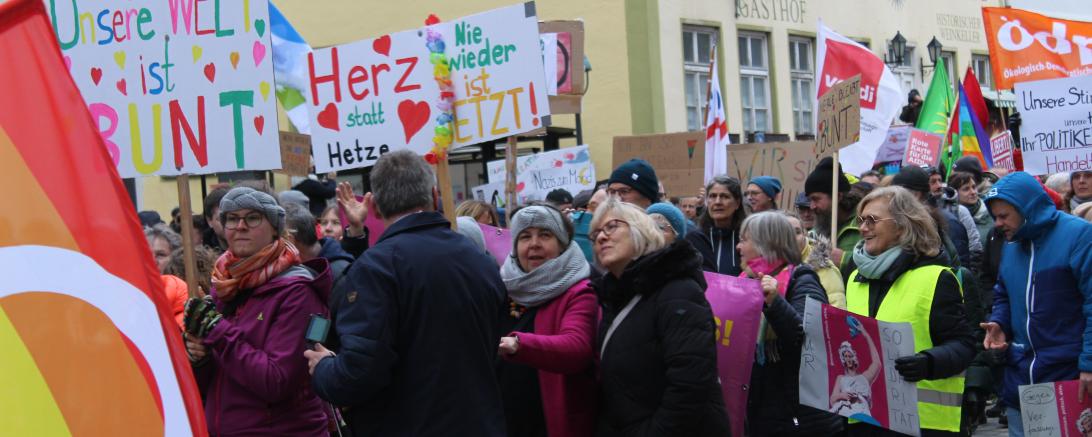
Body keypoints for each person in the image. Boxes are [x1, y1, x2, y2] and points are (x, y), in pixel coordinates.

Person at [307, 151, 507, 435]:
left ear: (373, 208)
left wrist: (325, 368)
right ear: (435, 197)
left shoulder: (378, 268)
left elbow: (358, 375)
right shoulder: (480, 260)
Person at [182, 186, 332, 436]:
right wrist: (199, 357)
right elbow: (214, 384)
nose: (240, 226)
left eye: (252, 218)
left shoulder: (297, 291)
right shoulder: (224, 285)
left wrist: (217, 331)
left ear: (275, 227)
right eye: (231, 218)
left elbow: (276, 381)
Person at [590, 198, 730, 436]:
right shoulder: (615, 297)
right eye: (596, 234)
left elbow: (690, 385)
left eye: (612, 226)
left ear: (641, 231)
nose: (602, 237)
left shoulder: (678, 292)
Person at [845, 186, 976, 436]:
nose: (862, 228)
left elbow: (965, 345)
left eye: (872, 220)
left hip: (923, 423)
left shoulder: (936, 277)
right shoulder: (854, 278)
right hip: (865, 418)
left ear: (902, 225)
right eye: (861, 221)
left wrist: (928, 362)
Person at [981, 172, 1092, 437]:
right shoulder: (1011, 244)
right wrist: (999, 323)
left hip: (1069, 376)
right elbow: (1004, 293)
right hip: (1022, 378)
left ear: (1026, 208)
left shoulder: (1079, 235)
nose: (998, 224)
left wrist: (1089, 364)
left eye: (1004, 216)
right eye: (995, 217)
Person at [737, 212, 844, 435]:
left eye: (744, 240)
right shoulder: (744, 281)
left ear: (766, 243)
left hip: (799, 416)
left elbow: (807, 339)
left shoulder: (802, 279)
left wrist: (775, 302)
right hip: (762, 410)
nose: (739, 247)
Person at [497, 205, 597, 437]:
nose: (534, 244)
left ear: (562, 245)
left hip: (551, 424)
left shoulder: (580, 291)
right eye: (525, 236)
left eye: (545, 234)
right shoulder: (502, 288)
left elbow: (577, 347)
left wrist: (519, 345)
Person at [805, 157, 862, 275]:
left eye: (816, 199)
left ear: (838, 196)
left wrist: (844, 259)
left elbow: (879, 261)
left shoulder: (863, 223)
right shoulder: (815, 232)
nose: (812, 206)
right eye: (810, 200)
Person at [686, 175, 748, 276]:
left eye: (725, 196)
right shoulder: (694, 239)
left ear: (737, 203)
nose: (717, 202)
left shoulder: (747, 240)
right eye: (713, 196)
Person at [787, 213, 846, 308]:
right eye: (785, 233)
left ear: (804, 234)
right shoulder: (768, 268)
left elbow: (836, 311)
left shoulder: (823, 267)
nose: (791, 238)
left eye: (797, 232)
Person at [830, 326, 881, 420]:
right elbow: (832, 399)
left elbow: (877, 363)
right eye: (845, 356)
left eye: (850, 356)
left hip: (862, 414)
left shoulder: (864, 377)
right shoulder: (841, 378)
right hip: (845, 413)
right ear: (843, 359)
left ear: (854, 357)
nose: (848, 359)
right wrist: (842, 395)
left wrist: (866, 335)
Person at [949, 171, 994, 243]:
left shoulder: (991, 211)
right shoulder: (950, 219)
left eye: (974, 187)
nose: (973, 192)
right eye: (966, 189)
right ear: (954, 193)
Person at [202, 186, 231, 253]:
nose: (228, 224)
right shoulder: (202, 255)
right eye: (221, 218)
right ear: (209, 221)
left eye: (232, 218)